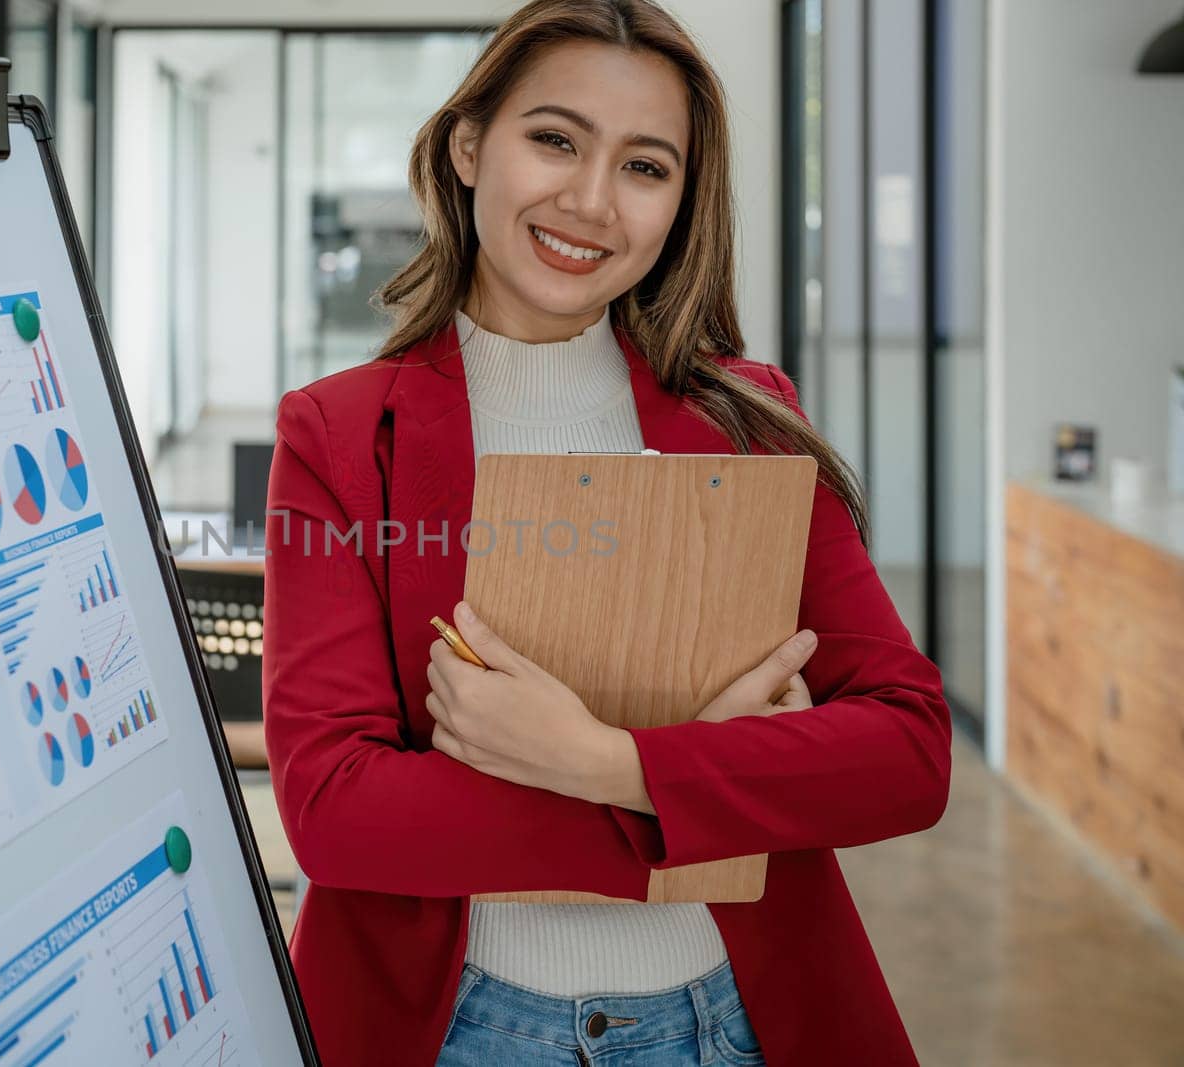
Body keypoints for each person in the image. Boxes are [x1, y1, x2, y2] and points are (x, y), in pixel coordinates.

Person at [261, 2, 951, 1064]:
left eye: (644, 166)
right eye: (553, 139)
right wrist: (707, 784)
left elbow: (906, 750)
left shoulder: (747, 418)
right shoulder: (342, 436)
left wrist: (606, 759)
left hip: (730, 1016)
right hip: (460, 1026)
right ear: (465, 144)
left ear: (682, 198)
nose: (589, 202)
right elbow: (336, 811)